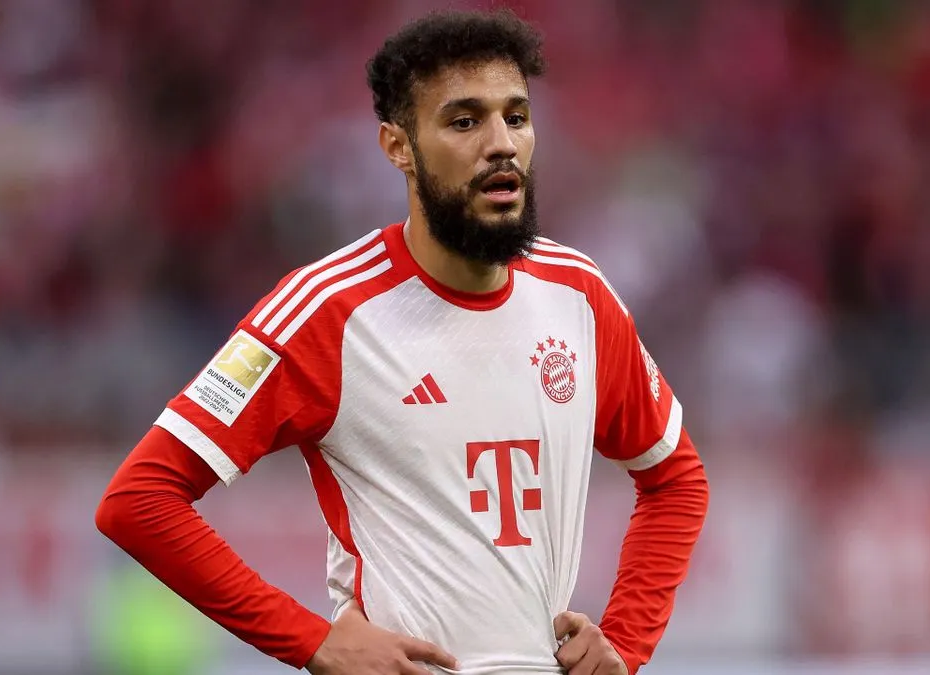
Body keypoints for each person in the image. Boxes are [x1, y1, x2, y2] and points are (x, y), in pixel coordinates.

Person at [95, 9, 709, 675]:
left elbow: (676, 477)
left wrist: (625, 643)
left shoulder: (579, 295)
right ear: (398, 146)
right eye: (464, 121)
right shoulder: (327, 310)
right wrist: (311, 639)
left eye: (516, 116)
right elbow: (140, 498)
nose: (501, 143)